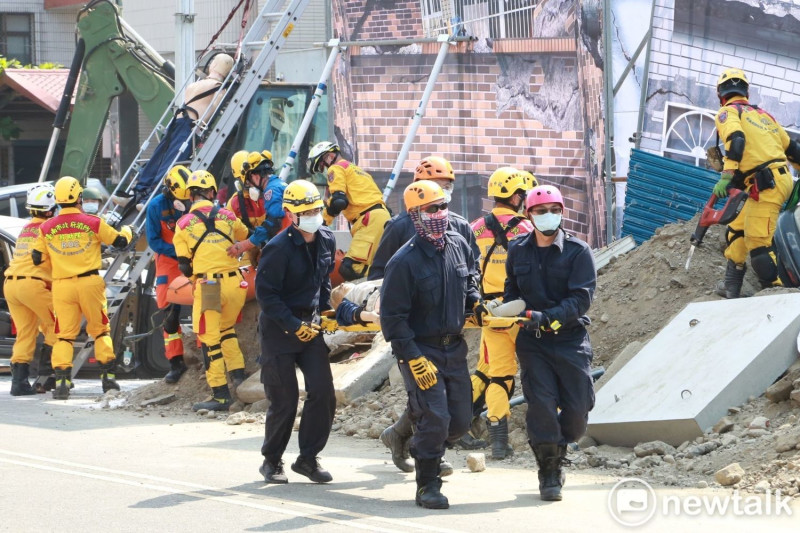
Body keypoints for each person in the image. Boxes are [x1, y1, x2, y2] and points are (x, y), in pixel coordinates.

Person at [372, 156, 480, 473]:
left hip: (452, 342)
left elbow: (470, 275)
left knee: (457, 419)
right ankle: (429, 471)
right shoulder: (401, 241)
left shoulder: (459, 233)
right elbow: (380, 280)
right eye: (433, 203)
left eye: (445, 194)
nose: (440, 207)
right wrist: (408, 351)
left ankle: (402, 436)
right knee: (434, 410)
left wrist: (475, 302)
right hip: (416, 339)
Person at [504, 185, 596, 502]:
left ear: (561, 212)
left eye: (554, 210)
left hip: (570, 339)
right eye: (541, 211)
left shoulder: (577, 251)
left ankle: (559, 445)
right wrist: (505, 309)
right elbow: (512, 292)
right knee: (541, 406)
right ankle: (549, 470)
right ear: (528, 215)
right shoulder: (517, 251)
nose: (548, 216)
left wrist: (548, 317)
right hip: (534, 344)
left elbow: (580, 299)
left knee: (578, 410)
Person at [255, 179, 337, 485]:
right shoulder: (277, 249)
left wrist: (326, 310)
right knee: (284, 399)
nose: (314, 214)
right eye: (307, 210)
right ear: (290, 213)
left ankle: (308, 459)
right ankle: (272, 460)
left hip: (311, 328)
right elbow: (267, 297)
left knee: (323, 392)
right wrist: (293, 325)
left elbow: (322, 280)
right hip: (279, 330)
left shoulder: (326, 239)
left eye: (317, 208)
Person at [33, 177, 132, 399]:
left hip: (62, 286)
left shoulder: (46, 227)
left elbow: (37, 257)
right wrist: (128, 231)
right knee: (100, 330)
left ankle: (62, 382)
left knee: (64, 336)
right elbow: (119, 242)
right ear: (78, 197)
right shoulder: (92, 222)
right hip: (89, 283)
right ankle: (108, 380)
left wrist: (60, 259)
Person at [712, 67, 797, 298]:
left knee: (757, 242)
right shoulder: (764, 115)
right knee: (737, 229)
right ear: (745, 91)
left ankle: (775, 297)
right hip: (769, 182)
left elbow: (736, 140)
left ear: (721, 94)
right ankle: (731, 287)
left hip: (765, 185)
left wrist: (727, 175)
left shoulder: (727, 113)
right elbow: (794, 150)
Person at [469, 167, 535, 459]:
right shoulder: (528, 229)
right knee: (541, 371)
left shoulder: (474, 229)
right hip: (523, 311)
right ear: (516, 195)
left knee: (499, 376)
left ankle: (498, 441)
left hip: (491, 313)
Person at [112, 53, 235, 208]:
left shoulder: (205, 86)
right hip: (185, 124)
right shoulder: (215, 87)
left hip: (182, 123)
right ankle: (144, 196)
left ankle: (142, 195)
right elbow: (213, 112)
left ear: (214, 65)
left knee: (162, 161)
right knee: (165, 161)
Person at [173, 170, 249, 412]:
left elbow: (184, 264)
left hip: (210, 286)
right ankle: (239, 378)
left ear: (190, 196)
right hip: (236, 284)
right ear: (213, 192)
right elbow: (244, 237)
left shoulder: (183, 223)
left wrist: (195, 274)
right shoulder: (227, 215)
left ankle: (220, 394)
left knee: (209, 339)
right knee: (227, 330)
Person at [308, 141, 391, 280]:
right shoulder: (357, 170)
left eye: (322, 163)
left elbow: (338, 201)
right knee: (375, 264)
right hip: (381, 217)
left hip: (368, 220)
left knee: (351, 268)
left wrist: (322, 223)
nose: (324, 168)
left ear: (330, 156)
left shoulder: (336, 168)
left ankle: (384, 280)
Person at [5, 184, 58, 396]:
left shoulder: (26, 228)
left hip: (11, 284)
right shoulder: (49, 228)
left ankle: (19, 383)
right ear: (49, 210)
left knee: (25, 332)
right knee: (58, 322)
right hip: (33, 284)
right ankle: (47, 377)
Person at [145, 165, 192, 384]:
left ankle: (205, 355)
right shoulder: (155, 206)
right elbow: (154, 241)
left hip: (194, 259)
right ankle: (175, 361)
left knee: (205, 308)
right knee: (169, 314)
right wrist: (179, 254)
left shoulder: (192, 202)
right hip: (168, 262)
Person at [225, 150, 288, 264]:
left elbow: (272, 224)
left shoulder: (270, 192)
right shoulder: (235, 203)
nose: (247, 185)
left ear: (255, 176)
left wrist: (247, 244)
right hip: (275, 248)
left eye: (248, 181)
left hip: (280, 248)